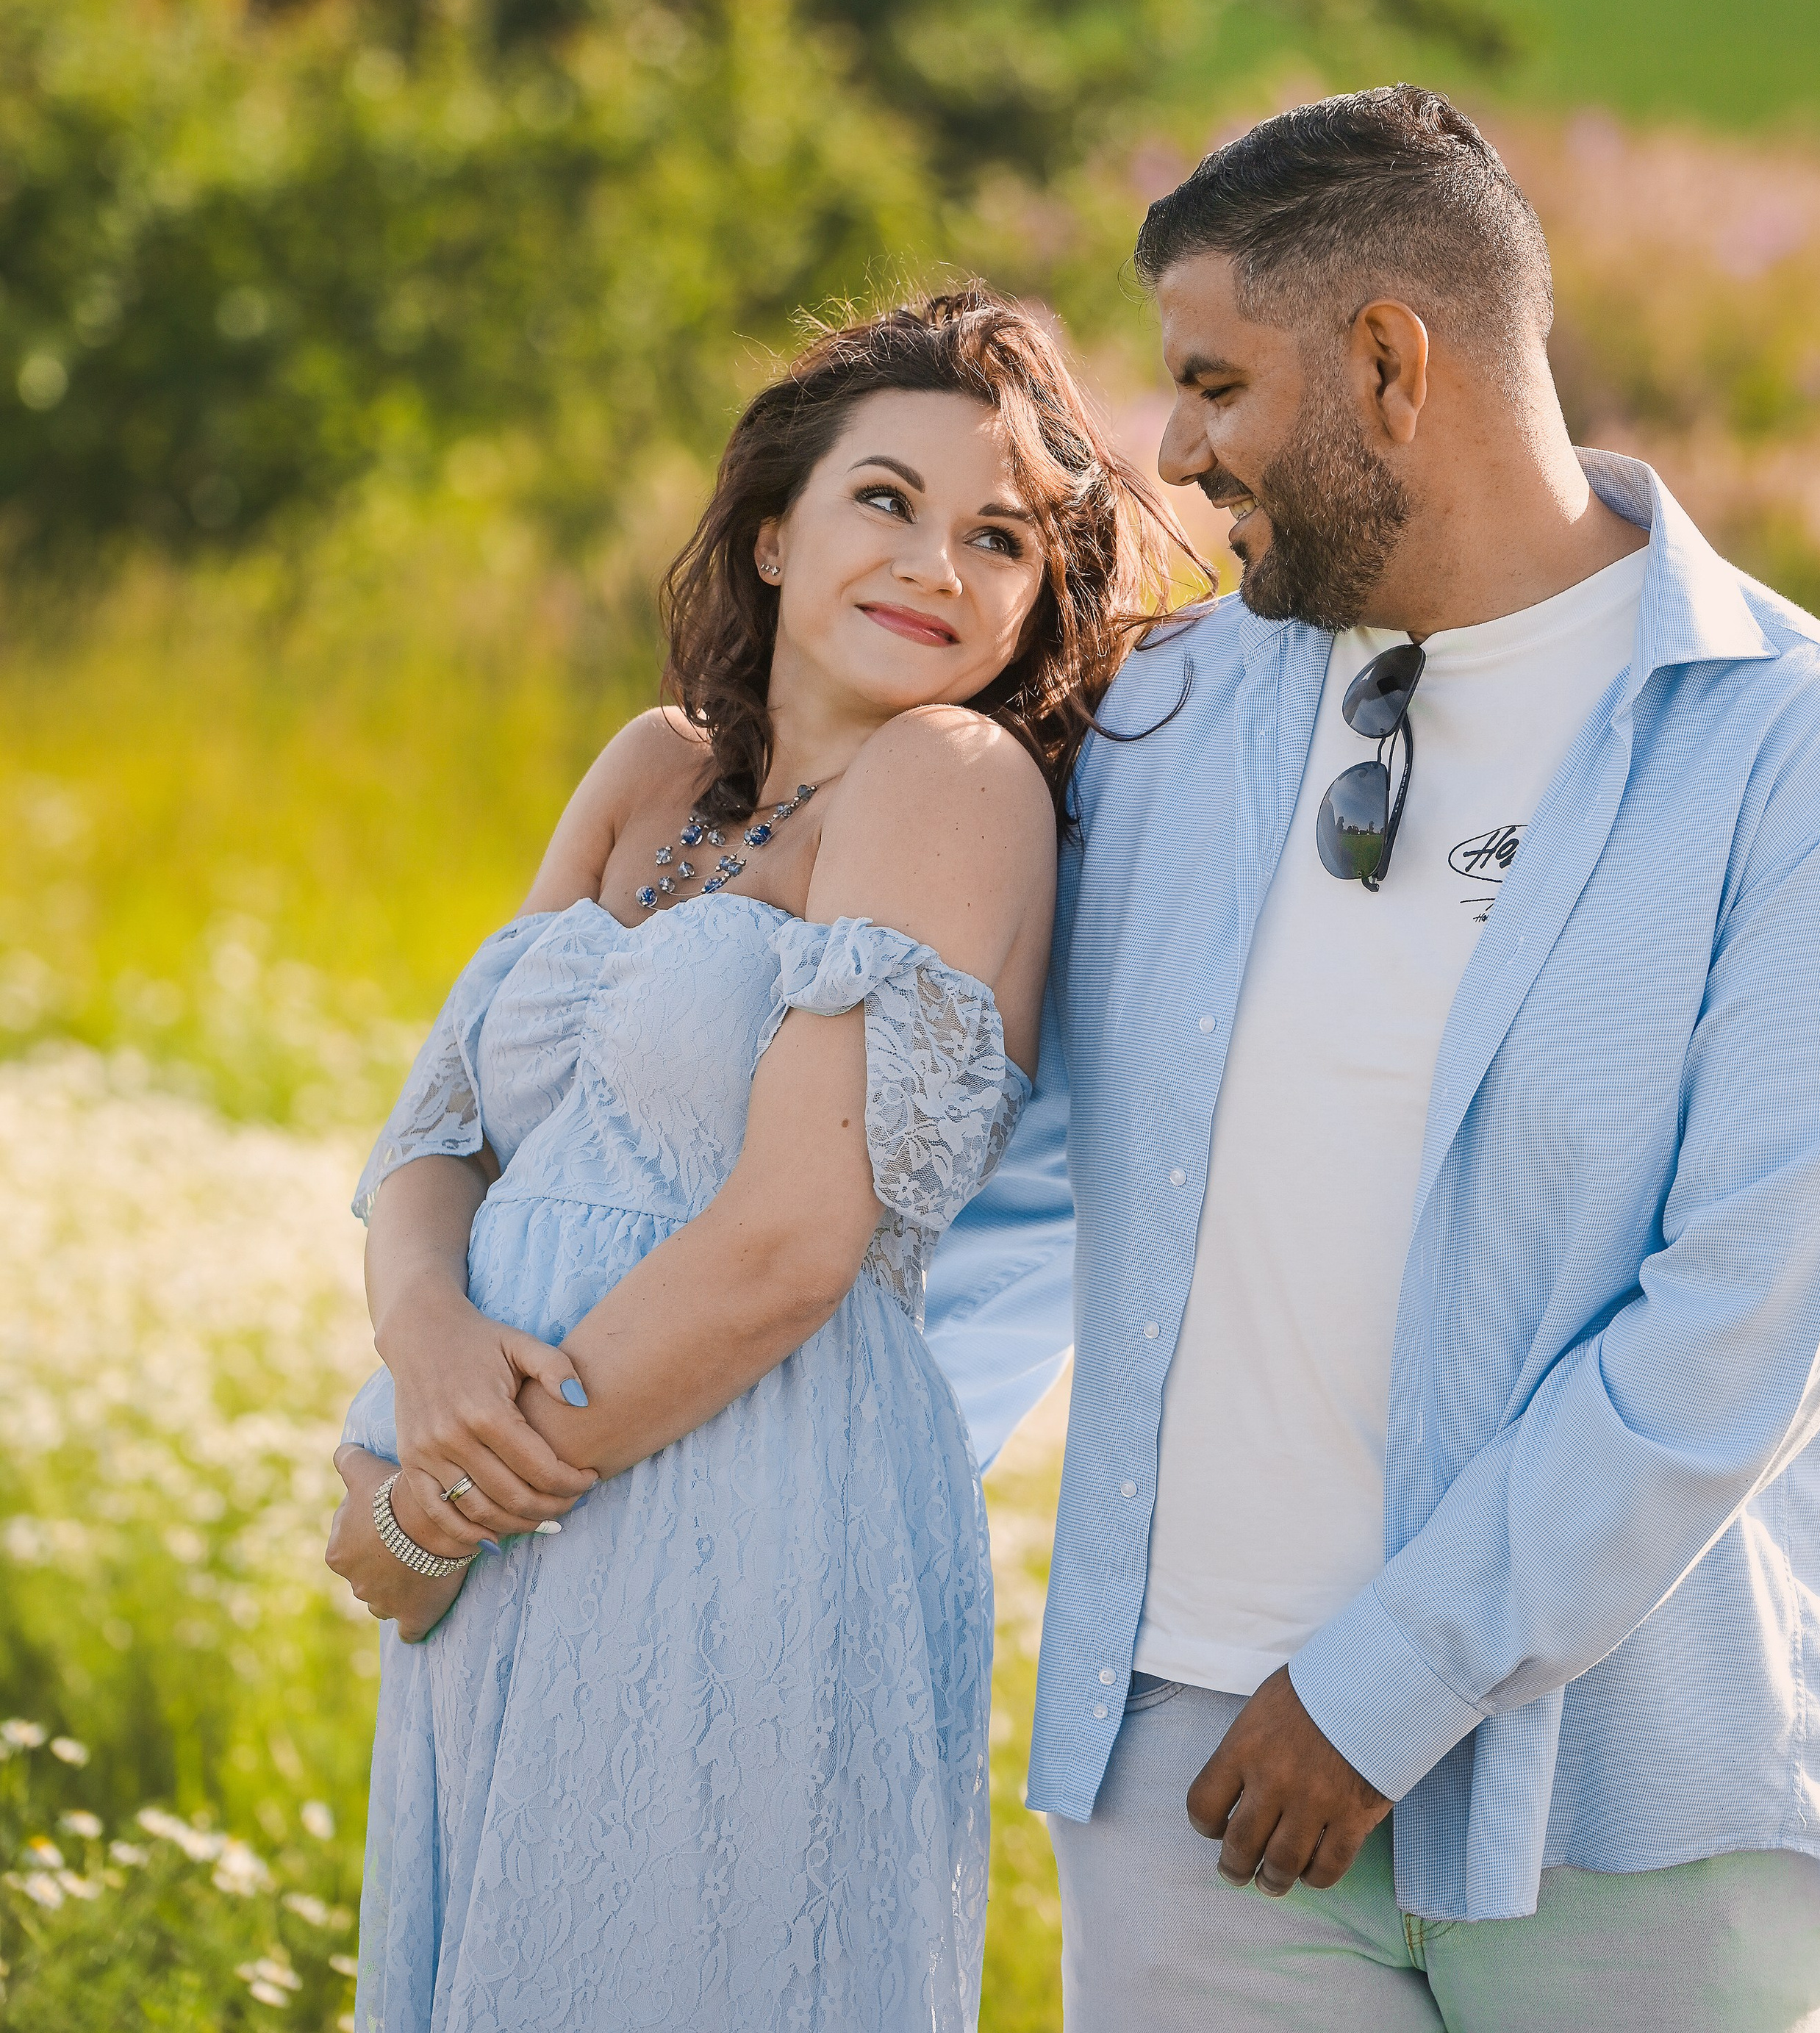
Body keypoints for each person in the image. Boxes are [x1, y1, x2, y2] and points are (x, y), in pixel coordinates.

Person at [925, 87, 1820, 2033]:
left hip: (1649, 1819)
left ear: (1387, 364)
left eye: (1209, 382)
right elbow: (1003, 1184)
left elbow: (1741, 1329)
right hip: (1186, 1788)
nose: (1169, 455)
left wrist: (1381, 1693)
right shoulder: (1162, 722)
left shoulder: (1805, 759)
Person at [322, 286, 1189, 2033]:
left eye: (998, 535)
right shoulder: (654, 769)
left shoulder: (950, 783)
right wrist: (416, 1349)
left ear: (1036, 597)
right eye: (886, 499)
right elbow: (439, 1133)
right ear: (777, 528)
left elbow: (796, 1236)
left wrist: (447, 1501)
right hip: (518, 1485)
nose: (933, 562)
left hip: (746, 1489)